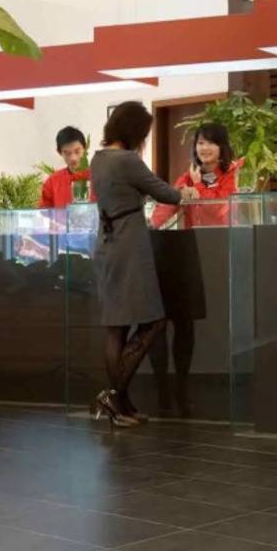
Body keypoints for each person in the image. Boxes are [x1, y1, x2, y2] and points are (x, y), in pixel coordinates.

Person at [88, 102, 190, 427]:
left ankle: (120, 403)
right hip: (128, 246)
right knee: (153, 321)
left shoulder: (98, 158)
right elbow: (167, 194)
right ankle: (113, 396)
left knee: (116, 326)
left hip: (107, 243)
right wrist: (185, 191)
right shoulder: (127, 160)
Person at [150, 123, 241, 229]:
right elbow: (169, 205)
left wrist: (198, 185)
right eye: (200, 143)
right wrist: (151, 224)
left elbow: (218, 210)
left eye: (211, 143)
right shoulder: (189, 176)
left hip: (224, 236)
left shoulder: (230, 173)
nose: (205, 148)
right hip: (193, 237)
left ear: (222, 147)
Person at [38, 126, 96, 208]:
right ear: (59, 152)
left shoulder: (99, 177)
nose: (73, 158)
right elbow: (44, 212)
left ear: (85, 148)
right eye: (67, 153)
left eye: (77, 151)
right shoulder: (52, 182)